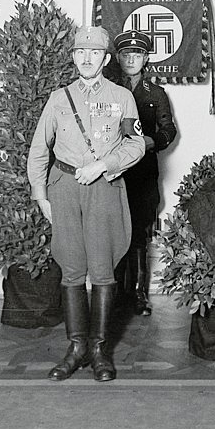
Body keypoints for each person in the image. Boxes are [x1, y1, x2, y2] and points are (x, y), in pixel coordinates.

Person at [28, 26, 146, 382]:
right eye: (81, 52)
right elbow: (39, 149)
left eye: (94, 53)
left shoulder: (122, 97)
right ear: (73, 57)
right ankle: (76, 347)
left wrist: (103, 165)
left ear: (106, 59)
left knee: (103, 269)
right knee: (71, 268)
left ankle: (99, 350)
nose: (87, 58)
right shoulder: (58, 99)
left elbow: (136, 145)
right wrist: (40, 194)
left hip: (104, 187)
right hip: (64, 188)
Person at [107, 28, 178, 315]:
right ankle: (114, 294)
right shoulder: (108, 89)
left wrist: (149, 142)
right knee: (113, 233)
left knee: (139, 235)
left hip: (142, 173)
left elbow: (169, 130)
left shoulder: (155, 93)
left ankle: (138, 295)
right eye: (126, 54)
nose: (131, 60)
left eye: (137, 54)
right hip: (113, 172)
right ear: (118, 58)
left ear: (146, 58)